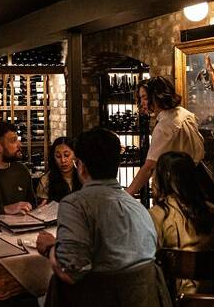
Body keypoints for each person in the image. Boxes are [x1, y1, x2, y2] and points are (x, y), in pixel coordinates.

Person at [36, 127, 171, 307]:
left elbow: (70, 271)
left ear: (81, 166)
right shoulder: (138, 208)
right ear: (117, 165)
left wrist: (50, 248)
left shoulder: (74, 204)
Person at [149, 151, 214, 295]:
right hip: (212, 295)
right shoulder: (211, 210)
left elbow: (150, 261)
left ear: (167, 176)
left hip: (176, 296)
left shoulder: (159, 214)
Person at [126, 76, 205, 196]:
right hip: (199, 182)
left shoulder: (165, 126)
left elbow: (149, 168)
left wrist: (126, 195)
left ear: (157, 97)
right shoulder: (185, 114)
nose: (142, 103)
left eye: (145, 98)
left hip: (180, 190)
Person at [36, 137, 82, 204]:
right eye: (58, 156)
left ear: (75, 157)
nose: (63, 160)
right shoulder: (46, 180)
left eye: (66, 155)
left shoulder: (83, 176)